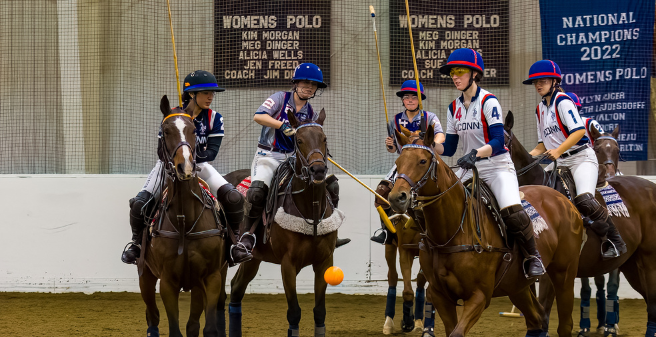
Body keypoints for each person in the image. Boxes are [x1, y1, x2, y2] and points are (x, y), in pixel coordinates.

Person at [121, 70, 252, 265]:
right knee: (140, 203)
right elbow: (160, 150)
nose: (210, 97)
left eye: (212, 93)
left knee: (233, 197)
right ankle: (136, 244)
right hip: (167, 166)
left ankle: (235, 243)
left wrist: (189, 159)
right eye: (205, 92)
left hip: (199, 165)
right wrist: (177, 162)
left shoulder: (215, 118)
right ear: (192, 94)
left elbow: (212, 152)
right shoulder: (171, 116)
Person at [435, 48, 545, 278]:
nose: (454, 76)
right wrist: (428, 145)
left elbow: (497, 140)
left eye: (460, 71)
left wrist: (475, 153)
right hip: (469, 168)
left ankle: (532, 256)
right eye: (452, 72)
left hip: (497, 167)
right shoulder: (453, 108)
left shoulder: (488, 101)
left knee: (511, 209)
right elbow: (451, 148)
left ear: (474, 74)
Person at [240, 63, 349, 251]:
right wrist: (281, 125)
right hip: (269, 156)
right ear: (296, 83)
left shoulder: (311, 113)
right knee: (257, 192)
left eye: (314, 85)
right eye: (305, 82)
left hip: (293, 159)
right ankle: (247, 236)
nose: (310, 87)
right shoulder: (280, 99)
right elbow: (258, 116)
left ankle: (330, 231)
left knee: (331, 185)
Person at [525, 60, 627, 259]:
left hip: (581, 158)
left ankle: (615, 239)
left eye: (543, 81)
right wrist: (524, 160)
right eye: (535, 82)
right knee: (532, 192)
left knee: (585, 199)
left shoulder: (562, 101)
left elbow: (579, 131)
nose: (538, 85)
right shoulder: (539, 109)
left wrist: (558, 150)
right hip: (559, 161)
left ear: (555, 82)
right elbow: (541, 145)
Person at [371, 79, 445, 244]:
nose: (410, 100)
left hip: (426, 162)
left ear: (420, 99)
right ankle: (387, 231)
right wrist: (389, 145)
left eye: (414, 96)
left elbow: (440, 136)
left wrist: (432, 142)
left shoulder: (429, 117)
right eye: (406, 97)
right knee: (382, 192)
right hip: (405, 163)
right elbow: (394, 149)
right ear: (402, 100)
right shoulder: (396, 120)